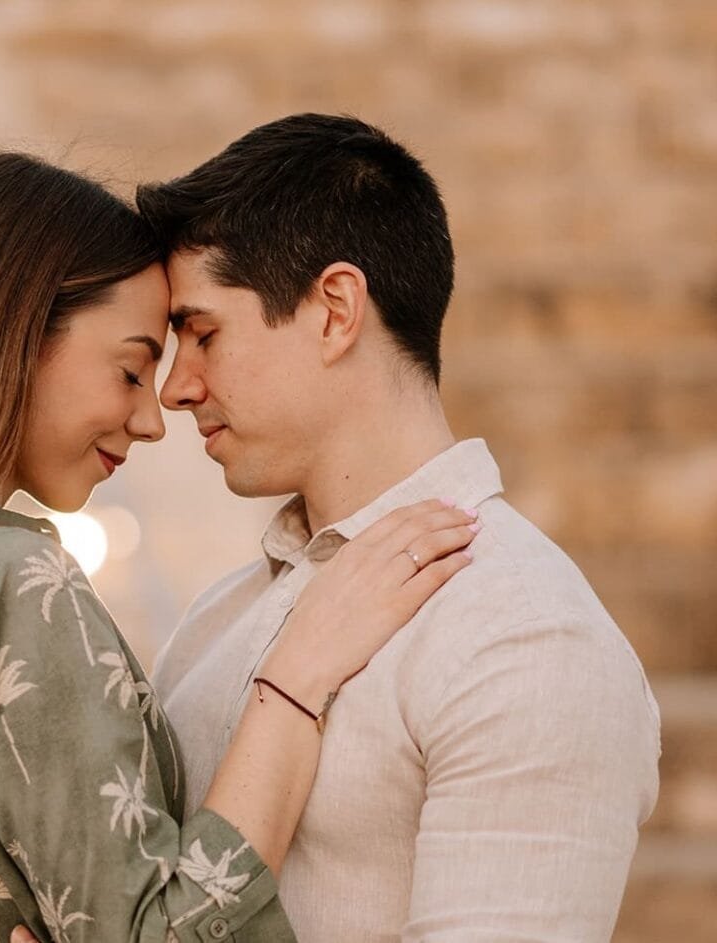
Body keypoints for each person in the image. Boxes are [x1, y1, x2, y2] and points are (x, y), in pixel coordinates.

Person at [0, 152, 478, 943]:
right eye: (133, 369)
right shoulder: (18, 585)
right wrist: (298, 670)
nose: (152, 416)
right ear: (18, 335)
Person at [130, 114, 662, 942]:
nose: (176, 388)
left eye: (203, 334)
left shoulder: (525, 636)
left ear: (336, 309)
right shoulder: (212, 624)